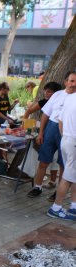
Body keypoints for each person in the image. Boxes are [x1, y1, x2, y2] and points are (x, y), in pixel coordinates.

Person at [27, 72, 76, 200]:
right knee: (43, 160)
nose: (73, 84)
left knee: (63, 164)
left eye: (75, 81)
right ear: (65, 82)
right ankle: (37, 187)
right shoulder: (57, 95)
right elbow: (45, 114)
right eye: (71, 81)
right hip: (51, 128)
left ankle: (59, 191)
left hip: (67, 132)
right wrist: (41, 132)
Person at [47, 90, 76, 220]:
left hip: (66, 139)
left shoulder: (69, 98)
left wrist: (65, 136)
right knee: (68, 177)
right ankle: (56, 208)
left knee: (73, 175)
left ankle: (74, 206)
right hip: (73, 141)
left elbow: (60, 121)